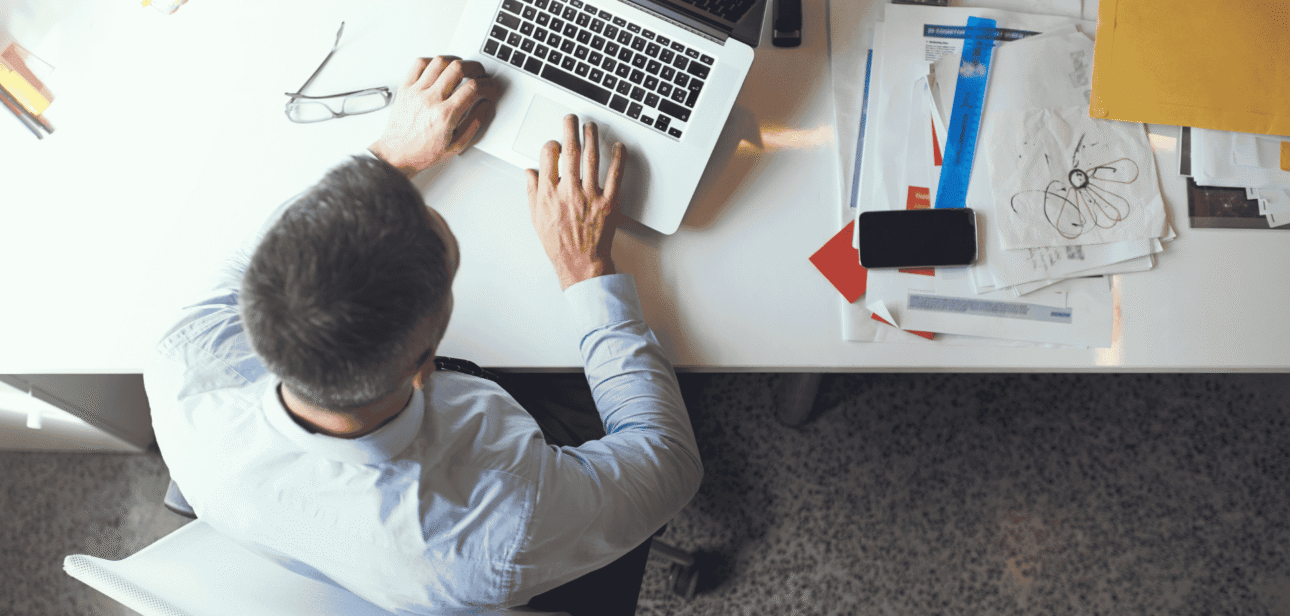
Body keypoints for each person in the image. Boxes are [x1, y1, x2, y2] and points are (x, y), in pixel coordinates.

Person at [143, 56, 702, 615]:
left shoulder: (182, 366)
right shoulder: (499, 522)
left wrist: (387, 157)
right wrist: (585, 269)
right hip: (452, 547)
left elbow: (279, 247)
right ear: (425, 362)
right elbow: (670, 463)